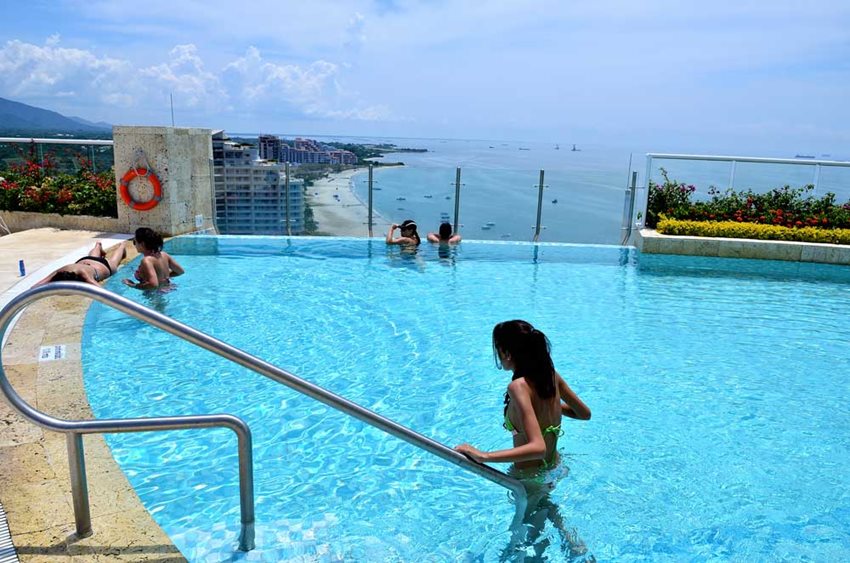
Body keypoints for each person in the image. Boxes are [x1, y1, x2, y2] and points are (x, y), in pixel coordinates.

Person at [455, 320, 590, 470]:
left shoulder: (518, 387)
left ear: (506, 353)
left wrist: (483, 456)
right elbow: (584, 414)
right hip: (555, 466)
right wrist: (549, 404)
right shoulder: (551, 376)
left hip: (529, 476)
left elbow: (538, 448)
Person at [34, 241, 126, 286]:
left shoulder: (83, 274)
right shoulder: (60, 272)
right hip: (88, 261)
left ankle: (122, 247)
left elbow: (100, 290)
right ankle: (98, 246)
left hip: (102, 265)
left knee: (114, 262)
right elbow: (37, 285)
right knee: (93, 257)